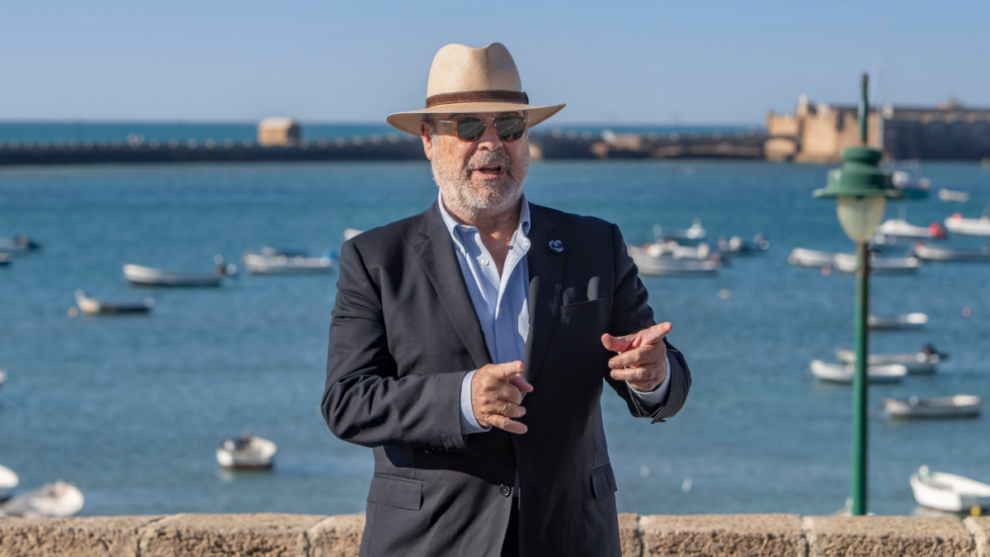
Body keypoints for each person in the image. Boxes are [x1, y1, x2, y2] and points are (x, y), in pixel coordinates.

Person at [322, 43, 691, 557]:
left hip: (570, 538)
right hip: (429, 543)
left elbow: (662, 380)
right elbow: (347, 403)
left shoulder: (595, 244)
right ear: (428, 140)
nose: (492, 143)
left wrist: (655, 375)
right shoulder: (376, 259)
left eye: (510, 126)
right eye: (469, 127)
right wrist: (462, 400)